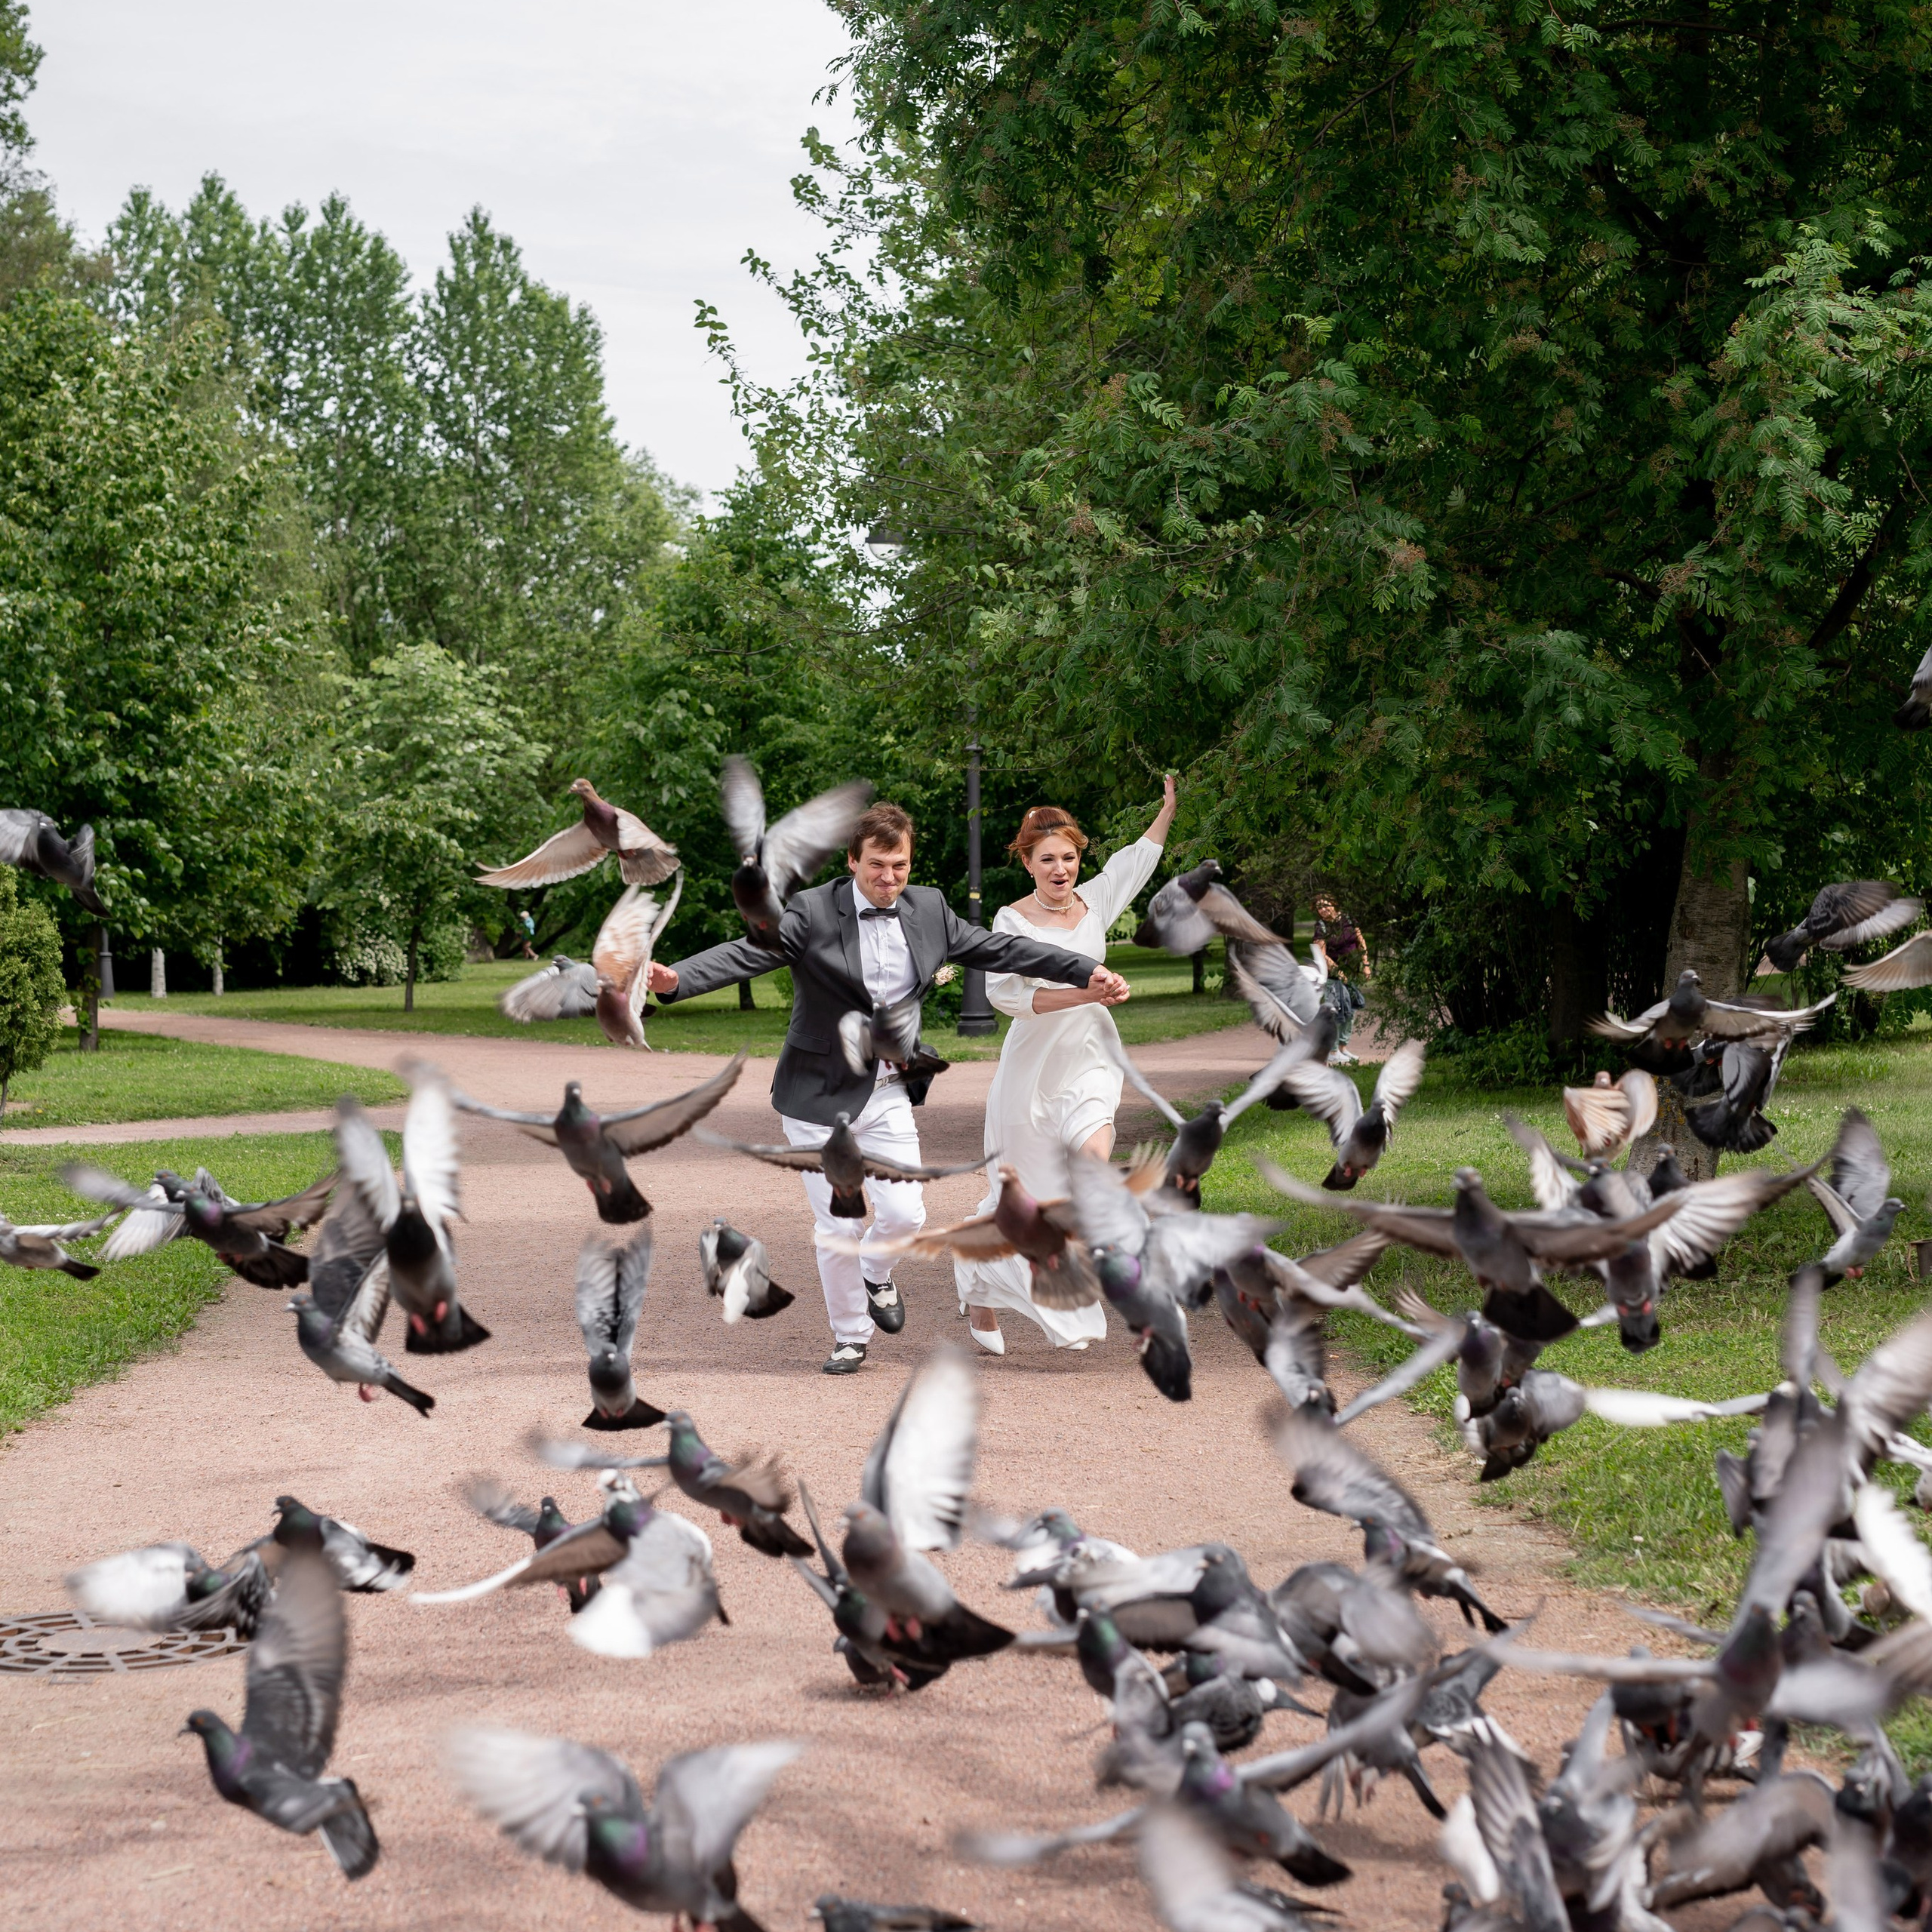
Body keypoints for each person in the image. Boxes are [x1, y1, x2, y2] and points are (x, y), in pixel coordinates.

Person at [645, 801, 1126, 1375]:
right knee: (839, 1222)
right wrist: (677, 980)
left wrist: (1082, 971)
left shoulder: (929, 909)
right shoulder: (812, 911)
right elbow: (750, 953)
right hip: (818, 1095)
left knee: (906, 1216)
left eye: (899, 865)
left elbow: (1003, 950)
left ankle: (877, 1275)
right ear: (853, 861)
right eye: (877, 865)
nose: (889, 878)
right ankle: (850, 1336)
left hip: (887, 1088)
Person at [955, 778, 1177, 1355]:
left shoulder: (1095, 902)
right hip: (1032, 1072)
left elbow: (1136, 862)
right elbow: (1010, 1000)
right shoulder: (1010, 922)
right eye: (1048, 859)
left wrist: (1167, 811)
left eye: (1070, 858)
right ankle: (979, 1284)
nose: (1061, 870)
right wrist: (1088, 989)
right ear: (1027, 862)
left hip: (1089, 1059)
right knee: (1024, 1199)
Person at [1312, 893, 1370, 1066]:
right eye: (1319, 908)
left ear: (1334, 903)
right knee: (1336, 1011)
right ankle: (1332, 1051)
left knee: (1351, 1010)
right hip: (1332, 976)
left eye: (1325, 905)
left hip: (1352, 972)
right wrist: (1338, 972)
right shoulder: (1321, 927)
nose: (1323, 910)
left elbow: (1360, 941)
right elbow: (1321, 954)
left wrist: (1366, 964)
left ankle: (1343, 1048)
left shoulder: (1348, 919)